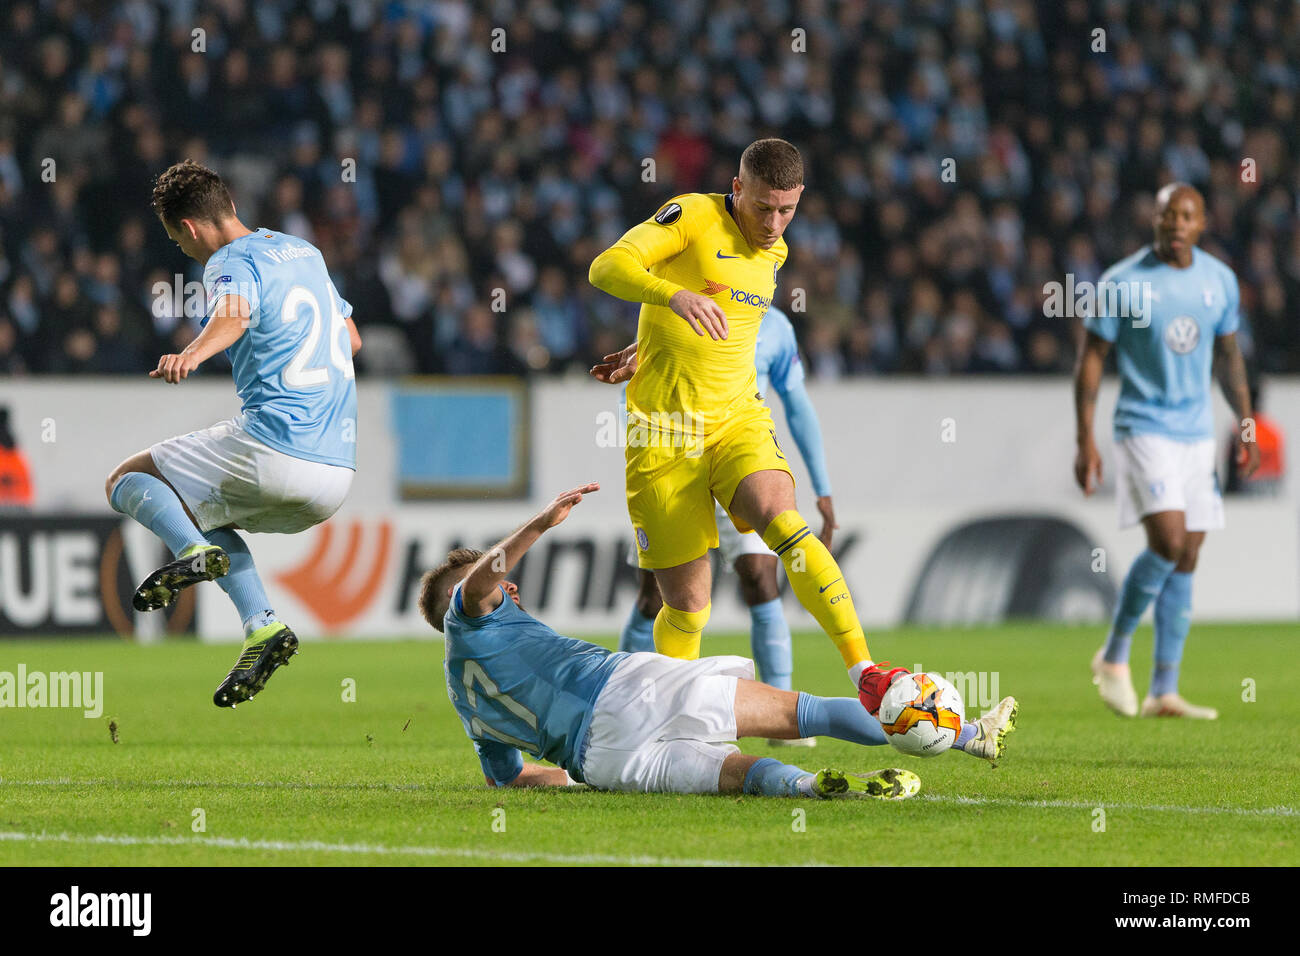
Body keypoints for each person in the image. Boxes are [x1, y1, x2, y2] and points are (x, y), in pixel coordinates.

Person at [419, 483, 1019, 799]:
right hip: (626, 690)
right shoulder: (474, 615)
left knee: (733, 771)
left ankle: (816, 788)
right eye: (494, 590)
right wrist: (541, 524)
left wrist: (579, 777)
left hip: (607, 762)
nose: (500, 592)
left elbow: (510, 779)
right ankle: (967, 736)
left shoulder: (465, 703)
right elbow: (480, 583)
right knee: (796, 713)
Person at [587, 137, 906, 718]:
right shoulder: (691, 215)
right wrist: (671, 299)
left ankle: (866, 671)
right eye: (763, 207)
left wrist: (648, 343)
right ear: (737, 189)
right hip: (664, 432)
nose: (773, 223)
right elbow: (606, 266)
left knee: (786, 525)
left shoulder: (777, 254)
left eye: (787, 209)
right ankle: (671, 725)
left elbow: (729, 325)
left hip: (738, 419)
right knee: (688, 608)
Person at [103, 160, 361, 707]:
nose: (184, 251)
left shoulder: (226, 262)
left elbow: (236, 315)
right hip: (336, 476)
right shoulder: (304, 252)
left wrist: (191, 353)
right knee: (203, 509)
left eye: (177, 241)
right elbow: (352, 340)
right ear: (231, 207)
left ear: (189, 229)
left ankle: (193, 551)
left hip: (274, 449)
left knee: (126, 480)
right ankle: (262, 625)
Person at [601, 305, 835, 748]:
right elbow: (633, 386)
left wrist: (822, 486)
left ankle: (781, 715)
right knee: (656, 596)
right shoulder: (677, 307)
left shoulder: (776, 327)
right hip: (673, 465)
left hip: (735, 459)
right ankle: (622, 708)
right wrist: (645, 447)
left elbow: (798, 405)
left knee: (760, 577)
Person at [1075, 182, 1258, 719]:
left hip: (1197, 433)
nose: (1177, 223)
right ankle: (1112, 656)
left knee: (1190, 554)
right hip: (1143, 426)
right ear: (1153, 221)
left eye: (1187, 216)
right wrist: (1084, 437)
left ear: (1202, 224)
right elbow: (1091, 359)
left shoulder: (1220, 281)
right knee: (1169, 541)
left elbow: (1229, 357)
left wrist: (1245, 423)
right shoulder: (1121, 282)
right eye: (1167, 215)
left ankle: (1164, 690)